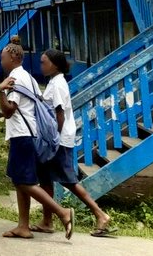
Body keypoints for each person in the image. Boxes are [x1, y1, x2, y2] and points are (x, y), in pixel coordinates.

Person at [0, 38, 73, 239]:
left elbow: (8, 111)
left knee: (24, 183)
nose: (1, 61)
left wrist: (1, 91)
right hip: (30, 133)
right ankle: (23, 226)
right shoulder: (29, 77)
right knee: (20, 180)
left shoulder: (15, 78)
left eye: (3, 57)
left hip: (22, 134)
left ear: (13, 57)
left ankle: (62, 213)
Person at [32, 49, 111, 237]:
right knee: (45, 179)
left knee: (69, 181)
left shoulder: (58, 84)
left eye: (44, 62)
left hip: (58, 139)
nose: (41, 65)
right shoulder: (54, 82)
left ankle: (100, 214)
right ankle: (47, 220)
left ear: (55, 64)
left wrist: (54, 138)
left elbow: (59, 112)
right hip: (55, 138)